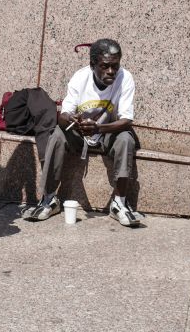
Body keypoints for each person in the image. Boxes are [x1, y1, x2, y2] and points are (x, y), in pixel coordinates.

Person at [21, 38, 144, 227]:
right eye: (105, 66)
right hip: (80, 134)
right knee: (57, 134)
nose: (111, 71)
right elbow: (63, 115)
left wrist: (99, 128)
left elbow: (126, 120)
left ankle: (119, 203)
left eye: (115, 66)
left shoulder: (125, 78)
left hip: (108, 133)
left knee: (126, 139)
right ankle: (49, 199)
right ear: (92, 64)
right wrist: (72, 120)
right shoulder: (80, 77)